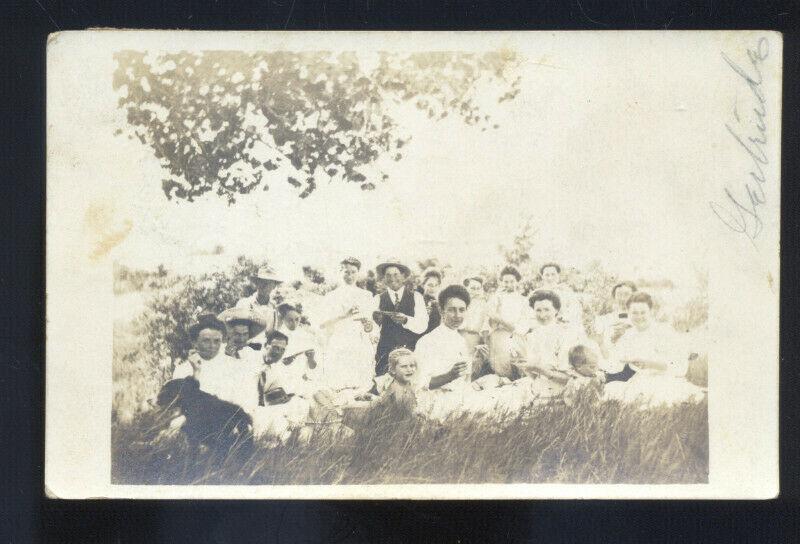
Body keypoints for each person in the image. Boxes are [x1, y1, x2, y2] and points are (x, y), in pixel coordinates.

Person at [604, 292, 705, 407]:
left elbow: (681, 367)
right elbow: (614, 365)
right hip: (639, 380)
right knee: (610, 389)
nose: (639, 317)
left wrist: (651, 364)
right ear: (628, 313)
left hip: (664, 380)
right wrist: (610, 345)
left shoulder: (665, 332)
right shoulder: (628, 335)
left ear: (651, 312)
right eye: (634, 313)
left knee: (656, 399)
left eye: (643, 312)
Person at [172, 314, 259, 411]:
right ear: (195, 342)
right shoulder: (183, 369)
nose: (212, 346)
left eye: (217, 341)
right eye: (206, 341)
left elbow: (246, 402)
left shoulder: (235, 366)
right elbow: (177, 405)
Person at [511, 290, 587, 397]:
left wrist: (539, 369)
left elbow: (570, 379)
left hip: (561, 393)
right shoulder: (533, 335)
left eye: (547, 310)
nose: (542, 315)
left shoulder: (565, 335)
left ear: (556, 310)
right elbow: (534, 375)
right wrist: (524, 365)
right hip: (537, 390)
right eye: (538, 310)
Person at [414, 284, 489, 391]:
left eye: (461, 310)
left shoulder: (460, 340)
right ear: (441, 311)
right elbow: (420, 384)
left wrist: (477, 360)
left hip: (459, 398)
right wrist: (450, 375)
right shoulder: (427, 341)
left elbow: (464, 380)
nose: (457, 315)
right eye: (452, 310)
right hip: (437, 401)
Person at [317, 257, 377, 391]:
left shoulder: (366, 296)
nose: (350, 276)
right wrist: (344, 316)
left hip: (359, 344)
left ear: (358, 273)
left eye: (353, 272)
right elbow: (322, 324)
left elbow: (370, 326)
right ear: (340, 272)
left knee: (359, 385)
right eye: (346, 272)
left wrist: (367, 324)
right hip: (339, 343)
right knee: (338, 385)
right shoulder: (331, 296)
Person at [371, 259, 429, 376]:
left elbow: (423, 325)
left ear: (404, 276)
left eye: (396, 274)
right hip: (385, 353)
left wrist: (406, 320)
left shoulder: (416, 297)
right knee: (385, 386)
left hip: (410, 351)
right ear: (384, 279)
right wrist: (373, 327)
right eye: (388, 275)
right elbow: (371, 328)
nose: (392, 278)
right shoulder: (377, 299)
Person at [252, 330, 312, 441]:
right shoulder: (251, 362)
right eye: (275, 348)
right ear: (266, 345)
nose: (278, 352)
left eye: (282, 350)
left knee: (299, 405)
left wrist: (285, 399)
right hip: (248, 409)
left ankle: (290, 441)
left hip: (264, 408)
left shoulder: (275, 369)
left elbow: (273, 395)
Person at [482, 265, 531, 378]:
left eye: (512, 281)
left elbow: (524, 323)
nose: (508, 284)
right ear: (501, 282)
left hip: (515, 336)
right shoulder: (496, 298)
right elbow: (488, 316)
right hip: (498, 336)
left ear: (517, 282)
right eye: (505, 281)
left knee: (517, 365)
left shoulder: (523, 300)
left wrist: (502, 321)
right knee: (500, 367)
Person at [216, 306, 266, 374]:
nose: (242, 339)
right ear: (229, 334)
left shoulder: (251, 353)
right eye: (237, 334)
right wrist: (227, 357)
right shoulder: (218, 351)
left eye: (245, 334)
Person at [594, 281, 637, 359]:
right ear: (614, 296)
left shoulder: (640, 319)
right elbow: (600, 345)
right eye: (619, 294)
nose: (622, 298)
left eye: (626, 294)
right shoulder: (604, 319)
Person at [235, 266, 283, 336]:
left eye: (268, 283)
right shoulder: (243, 304)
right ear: (256, 283)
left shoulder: (275, 309)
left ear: (274, 286)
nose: (264, 286)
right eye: (261, 282)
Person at [533, 262, 583, 327]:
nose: (550, 278)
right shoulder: (536, 294)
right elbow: (530, 314)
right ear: (542, 276)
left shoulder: (567, 292)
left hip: (563, 327)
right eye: (547, 275)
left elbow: (576, 312)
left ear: (558, 275)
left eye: (553, 274)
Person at [459, 276, 490, 377]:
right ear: (466, 288)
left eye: (478, 288)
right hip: (460, 335)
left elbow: (485, 326)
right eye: (472, 288)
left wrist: (485, 343)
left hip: (474, 337)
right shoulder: (460, 303)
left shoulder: (484, 304)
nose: (475, 291)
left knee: (472, 364)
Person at [418, 268, 443, 335]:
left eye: (436, 285)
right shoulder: (417, 302)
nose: (433, 288)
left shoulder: (439, 304)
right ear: (423, 285)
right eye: (430, 285)